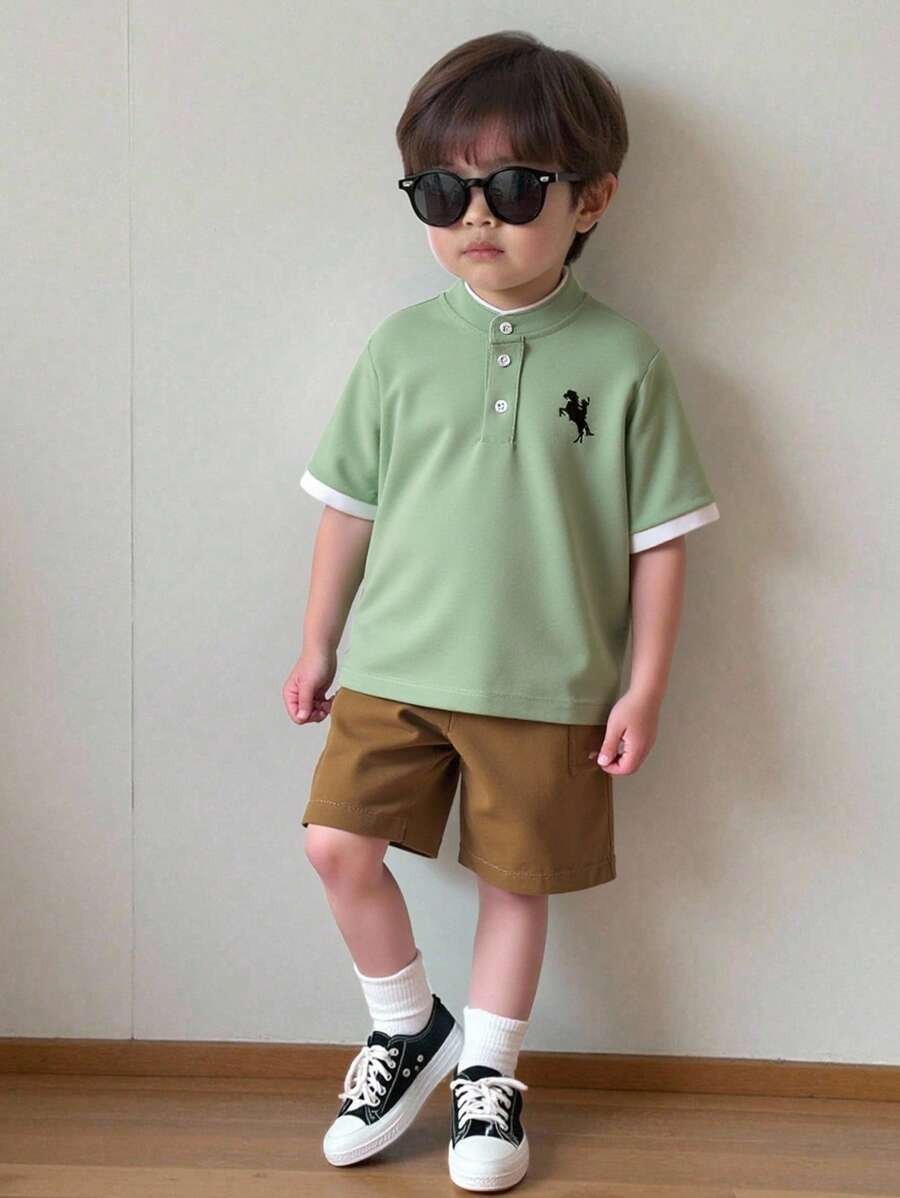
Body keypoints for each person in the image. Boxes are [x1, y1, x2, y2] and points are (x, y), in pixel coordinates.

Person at [283, 29, 720, 1193]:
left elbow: (662, 542)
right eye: (444, 190)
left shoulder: (628, 362)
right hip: (394, 667)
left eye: (516, 187)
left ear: (592, 199)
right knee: (335, 844)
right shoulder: (399, 351)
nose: (477, 215)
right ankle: (405, 1024)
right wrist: (320, 642)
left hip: (549, 679)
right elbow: (348, 511)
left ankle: (489, 1073)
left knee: (515, 880)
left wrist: (644, 685)